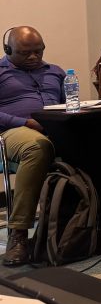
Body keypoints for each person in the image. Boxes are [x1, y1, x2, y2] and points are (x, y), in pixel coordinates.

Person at [0, 27, 59, 266]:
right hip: (11, 133)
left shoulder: (56, 72)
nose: (34, 57)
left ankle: (86, 224)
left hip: (55, 129)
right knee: (37, 146)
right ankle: (19, 235)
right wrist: (25, 122)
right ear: (8, 50)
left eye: (38, 51)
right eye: (25, 53)